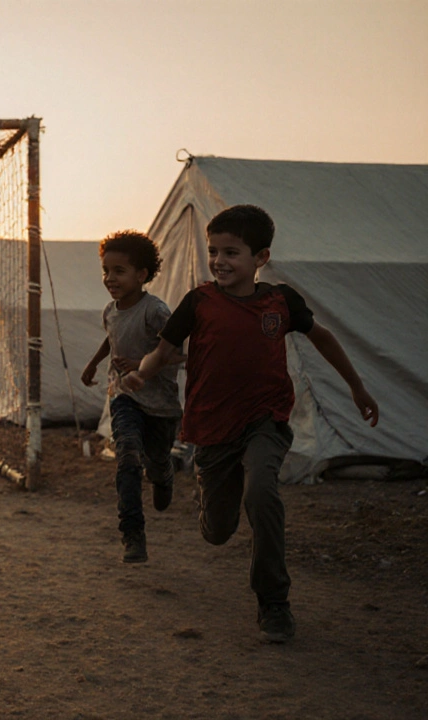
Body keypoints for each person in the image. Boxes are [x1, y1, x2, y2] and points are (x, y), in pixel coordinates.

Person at [124, 204, 379, 643]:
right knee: (219, 532)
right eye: (213, 251)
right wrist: (142, 374)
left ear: (260, 258)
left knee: (261, 492)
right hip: (211, 426)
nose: (220, 261)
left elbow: (323, 337)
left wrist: (357, 387)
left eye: (231, 252)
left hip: (266, 418)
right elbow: (163, 351)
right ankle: (209, 499)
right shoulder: (199, 302)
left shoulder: (281, 302)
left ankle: (274, 603)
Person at [81, 231, 182, 564]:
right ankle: (133, 534)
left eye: (119, 271)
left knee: (154, 460)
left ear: (141, 275)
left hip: (162, 404)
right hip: (124, 396)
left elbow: (180, 351)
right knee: (126, 456)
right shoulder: (110, 310)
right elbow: (112, 338)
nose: (110, 278)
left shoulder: (155, 311)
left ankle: (163, 473)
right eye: (106, 271)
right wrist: (95, 362)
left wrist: (142, 364)